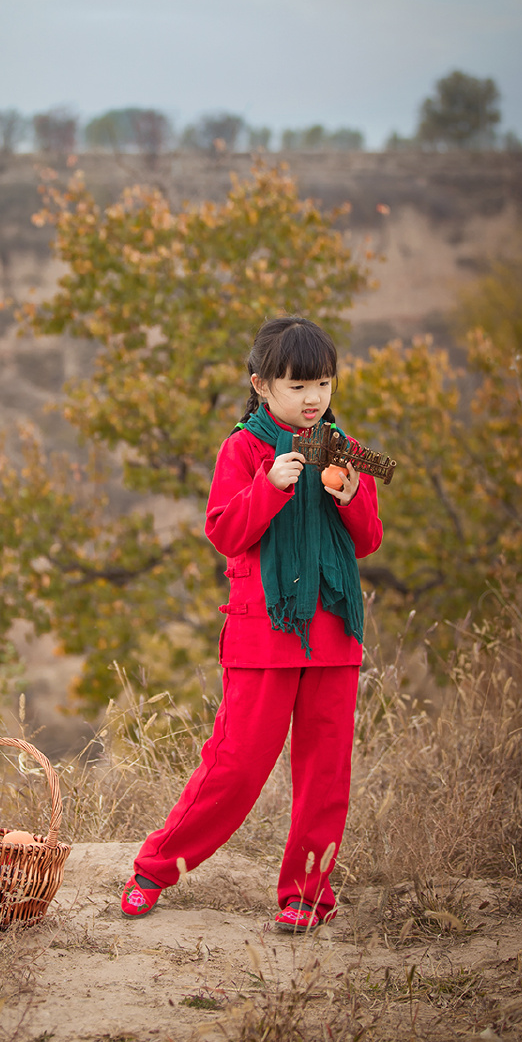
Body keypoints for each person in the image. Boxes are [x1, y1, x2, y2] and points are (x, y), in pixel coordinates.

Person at [120, 316, 384, 931]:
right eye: (298, 385)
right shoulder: (243, 448)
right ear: (262, 385)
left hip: (334, 633)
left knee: (325, 776)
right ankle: (154, 869)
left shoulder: (343, 447)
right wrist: (268, 487)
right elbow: (225, 532)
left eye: (324, 383)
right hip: (264, 633)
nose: (314, 397)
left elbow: (368, 540)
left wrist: (351, 497)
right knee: (235, 765)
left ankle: (306, 896)